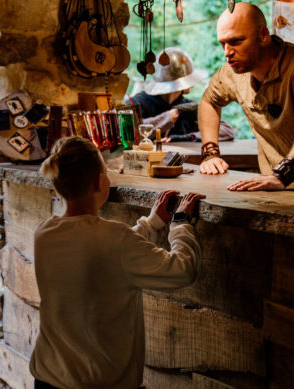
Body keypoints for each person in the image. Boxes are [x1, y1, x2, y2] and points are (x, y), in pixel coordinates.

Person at [29, 136, 203, 389]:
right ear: (100, 181)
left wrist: (153, 223)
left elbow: (105, 253)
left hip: (47, 378)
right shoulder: (114, 239)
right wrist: (179, 222)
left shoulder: (44, 233)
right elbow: (182, 269)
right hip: (102, 383)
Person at [199, 2, 294, 191]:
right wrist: (210, 153)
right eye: (223, 43)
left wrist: (283, 174)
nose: (227, 52)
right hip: (272, 189)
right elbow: (208, 102)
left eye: (236, 41)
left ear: (263, 35)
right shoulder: (231, 73)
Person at [127, 47, 233, 142]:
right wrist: (169, 117)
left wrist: (189, 137)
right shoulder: (137, 103)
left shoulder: (187, 107)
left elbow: (226, 131)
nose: (191, 85)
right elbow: (129, 131)